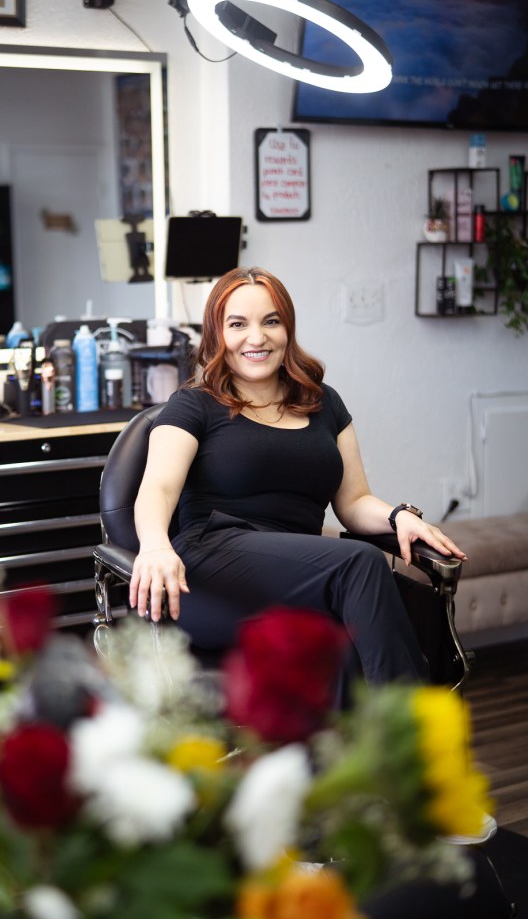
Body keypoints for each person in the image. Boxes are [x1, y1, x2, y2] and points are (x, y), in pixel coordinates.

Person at [130, 266, 467, 685]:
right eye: (238, 324)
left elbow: (353, 501)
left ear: (287, 329)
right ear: (217, 334)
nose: (257, 337)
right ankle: (412, 721)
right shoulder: (194, 404)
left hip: (298, 577)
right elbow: (158, 489)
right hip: (213, 570)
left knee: (350, 643)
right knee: (361, 563)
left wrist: (399, 517)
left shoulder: (323, 403)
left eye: (271, 321)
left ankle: (367, 728)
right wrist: (155, 545)